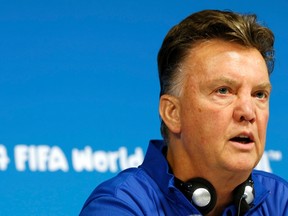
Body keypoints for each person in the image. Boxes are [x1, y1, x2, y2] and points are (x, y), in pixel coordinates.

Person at [79, 9, 288, 216]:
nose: (248, 112)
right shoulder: (119, 205)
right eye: (223, 91)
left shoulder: (282, 201)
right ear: (172, 113)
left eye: (259, 94)